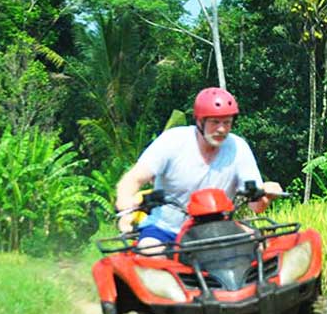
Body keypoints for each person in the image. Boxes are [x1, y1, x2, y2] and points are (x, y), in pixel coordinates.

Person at [114, 87, 282, 249]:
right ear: (199, 121)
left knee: (263, 251)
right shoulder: (172, 141)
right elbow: (134, 178)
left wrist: (266, 194)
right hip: (166, 230)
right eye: (215, 122)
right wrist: (125, 204)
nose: (222, 129)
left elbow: (256, 207)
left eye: (227, 122)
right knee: (150, 253)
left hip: (218, 229)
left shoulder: (238, 148)